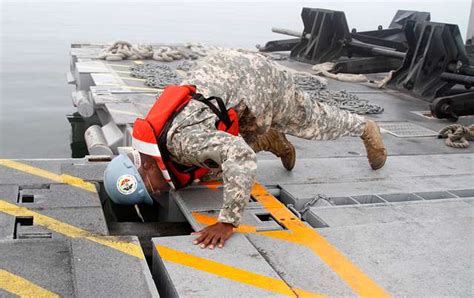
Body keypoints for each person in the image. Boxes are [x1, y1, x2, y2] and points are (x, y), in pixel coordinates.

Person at [104, 50, 387, 249]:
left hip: (258, 80)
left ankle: (364, 128)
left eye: (152, 188)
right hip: (228, 74)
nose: (158, 192)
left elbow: (239, 156)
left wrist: (227, 222)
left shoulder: (181, 143)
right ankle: (269, 138)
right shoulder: (157, 140)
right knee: (211, 167)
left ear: (148, 165)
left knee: (311, 119)